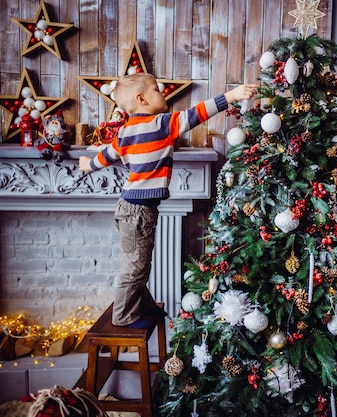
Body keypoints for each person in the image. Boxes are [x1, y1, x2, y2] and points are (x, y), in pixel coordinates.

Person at [79, 73, 257, 329]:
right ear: (141, 99)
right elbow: (197, 113)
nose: (162, 91)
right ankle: (123, 316)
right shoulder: (160, 124)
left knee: (141, 262)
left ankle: (144, 305)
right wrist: (232, 95)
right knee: (135, 267)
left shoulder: (126, 132)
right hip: (138, 211)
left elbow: (106, 155)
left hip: (132, 209)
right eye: (155, 89)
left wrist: (88, 164)